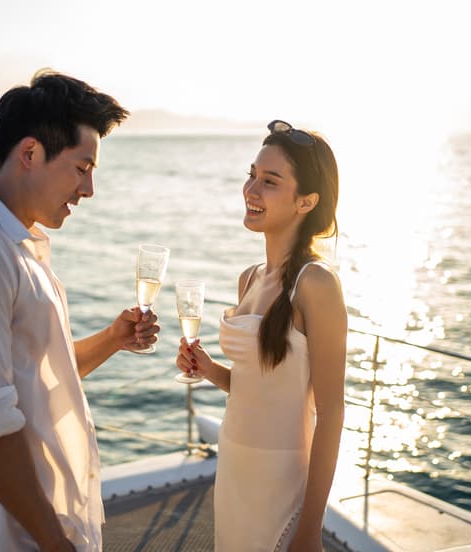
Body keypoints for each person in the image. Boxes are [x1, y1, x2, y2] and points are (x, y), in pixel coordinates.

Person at [0, 69, 158, 552]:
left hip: (48, 526)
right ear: (29, 154)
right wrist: (55, 543)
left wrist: (112, 339)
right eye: (82, 168)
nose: (88, 190)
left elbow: (39, 377)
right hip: (10, 536)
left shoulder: (15, 246)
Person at [176, 120, 347, 551]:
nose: (251, 189)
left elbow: (330, 414)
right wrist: (210, 369)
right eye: (252, 175)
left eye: (270, 181)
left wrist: (309, 529)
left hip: (280, 485)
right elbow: (255, 389)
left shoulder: (316, 284)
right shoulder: (249, 278)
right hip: (234, 469)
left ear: (307, 201)